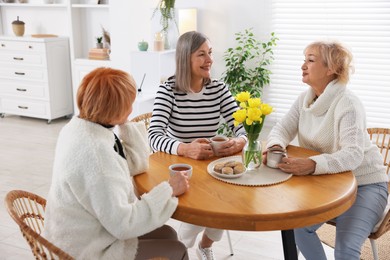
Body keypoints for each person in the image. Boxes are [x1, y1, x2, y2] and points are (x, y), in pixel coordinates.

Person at [43, 67, 190, 260]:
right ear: (113, 110)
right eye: (129, 103)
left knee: (169, 234)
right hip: (87, 251)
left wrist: (123, 120)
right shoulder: (97, 156)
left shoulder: (81, 128)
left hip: (77, 233)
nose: (132, 106)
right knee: (177, 249)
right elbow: (124, 224)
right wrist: (168, 190)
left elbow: (134, 164)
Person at [265, 41, 389, 260]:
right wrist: (275, 146)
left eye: (310, 60)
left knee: (346, 249)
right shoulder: (305, 98)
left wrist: (312, 164)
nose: (303, 65)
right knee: (296, 227)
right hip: (328, 182)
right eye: (304, 59)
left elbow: (352, 154)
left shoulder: (347, 103)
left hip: (365, 185)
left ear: (331, 68)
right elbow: (282, 129)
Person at [148, 31, 247, 260]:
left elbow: (242, 126)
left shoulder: (218, 89)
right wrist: (185, 148)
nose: (210, 59)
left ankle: (201, 246)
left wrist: (239, 141)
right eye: (201, 54)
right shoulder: (168, 90)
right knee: (213, 203)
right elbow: (154, 135)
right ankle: (180, 250)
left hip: (212, 165)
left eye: (210, 53)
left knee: (228, 199)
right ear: (185, 58)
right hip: (179, 166)